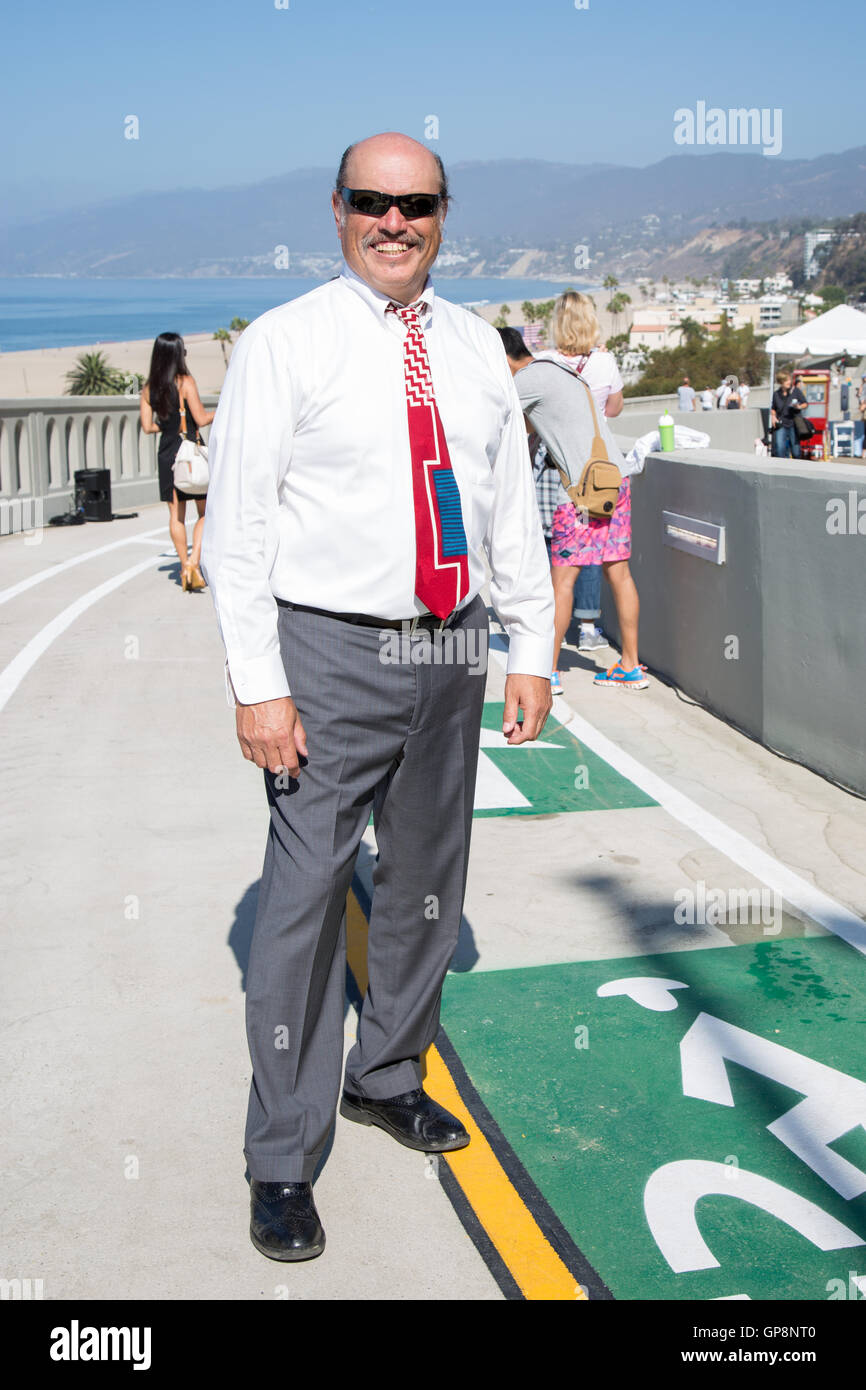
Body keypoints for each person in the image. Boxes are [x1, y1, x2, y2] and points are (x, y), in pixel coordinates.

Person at [201, 132, 554, 1262]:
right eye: (371, 201)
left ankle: (386, 1073)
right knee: (303, 903)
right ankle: (280, 1154)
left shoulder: (471, 346)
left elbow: (504, 506)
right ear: (338, 209)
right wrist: (260, 687)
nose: (393, 222)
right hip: (327, 650)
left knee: (424, 882)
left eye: (416, 204)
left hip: (447, 648)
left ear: (445, 214)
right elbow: (239, 528)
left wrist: (529, 643)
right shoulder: (284, 343)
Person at [500, 331, 648, 693]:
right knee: (619, 573)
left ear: (502, 358)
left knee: (562, 581)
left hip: (581, 494)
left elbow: (495, 418)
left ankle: (546, 671)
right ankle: (630, 665)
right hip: (615, 481)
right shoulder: (557, 370)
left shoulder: (526, 380)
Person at [140, 333, 214, 590]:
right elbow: (201, 418)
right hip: (191, 453)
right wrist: (222, 410)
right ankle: (195, 561)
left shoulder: (150, 388)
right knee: (205, 512)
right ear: (177, 354)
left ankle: (184, 568)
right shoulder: (185, 382)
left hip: (167, 454)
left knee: (176, 516)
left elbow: (148, 427)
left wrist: (166, 427)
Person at [770, 370, 807, 458]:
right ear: (781, 382)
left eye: (789, 380)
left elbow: (805, 403)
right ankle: (781, 468)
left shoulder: (795, 391)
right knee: (780, 449)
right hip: (781, 424)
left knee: (796, 451)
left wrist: (799, 407)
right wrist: (773, 417)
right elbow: (773, 408)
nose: (789, 382)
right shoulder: (776, 394)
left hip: (794, 423)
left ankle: (797, 467)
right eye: (786, 380)